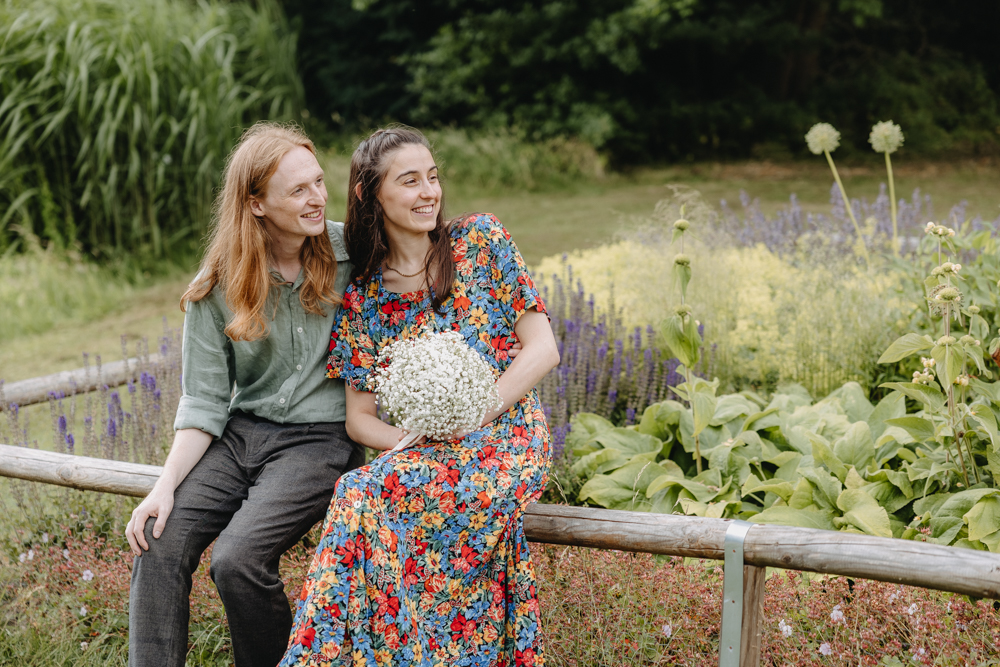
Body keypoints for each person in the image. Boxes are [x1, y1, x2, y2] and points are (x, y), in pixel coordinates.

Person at [279, 126, 559, 667]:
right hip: (427, 455)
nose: (428, 191)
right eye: (409, 181)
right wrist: (412, 439)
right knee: (361, 493)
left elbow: (543, 348)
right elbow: (360, 420)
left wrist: (472, 412)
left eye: (432, 177)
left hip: (508, 440)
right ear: (369, 194)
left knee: (360, 494)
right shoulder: (363, 296)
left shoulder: (481, 241)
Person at [124, 122, 365, 667]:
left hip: (320, 441)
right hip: (239, 437)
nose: (316, 198)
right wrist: (164, 489)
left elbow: (420, 257)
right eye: (298, 190)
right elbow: (204, 402)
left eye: (318, 183)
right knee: (158, 542)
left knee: (237, 560)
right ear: (256, 204)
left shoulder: (354, 255)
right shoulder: (219, 283)